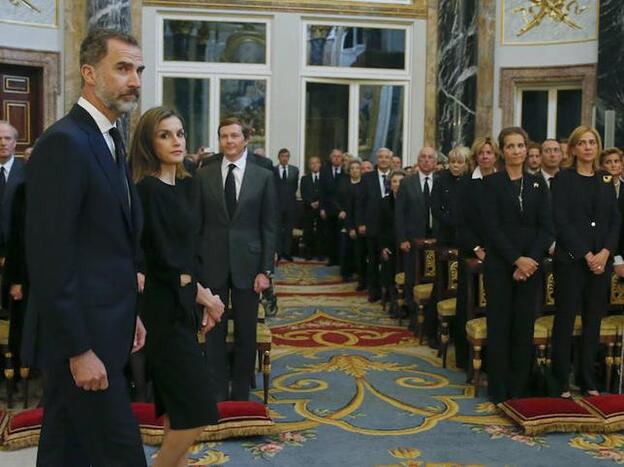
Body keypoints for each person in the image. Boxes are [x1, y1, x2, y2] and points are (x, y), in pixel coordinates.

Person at [25, 29, 147, 466]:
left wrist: (130, 312)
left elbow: (107, 246)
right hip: (82, 343)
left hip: (106, 329)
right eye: (123, 68)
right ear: (89, 72)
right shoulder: (65, 142)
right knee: (122, 453)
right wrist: (78, 349)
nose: (135, 80)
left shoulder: (109, 140)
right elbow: (50, 257)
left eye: (138, 70)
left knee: (65, 450)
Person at [130, 106, 224, 466]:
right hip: (161, 307)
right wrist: (205, 297)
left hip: (184, 302)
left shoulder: (188, 184)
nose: (176, 141)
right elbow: (164, 261)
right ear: (148, 142)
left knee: (178, 408)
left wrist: (202, 297)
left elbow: (192, 250)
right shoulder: (146, 189)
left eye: (180, 133)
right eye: (164, 135)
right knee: (198, 407)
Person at [196, 116, 277, 401]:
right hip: (212, 262)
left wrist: (266, 270)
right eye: (223, 136)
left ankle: (241, 393)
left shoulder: (263, 176)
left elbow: (269, 226)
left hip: (250, 266)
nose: (228, 141)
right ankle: (216, 392)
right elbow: (198, 223)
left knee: (246, 332)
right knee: (213, 330)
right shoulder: (204, 173)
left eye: (234, 136)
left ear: (245, 139)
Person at [481, 127, 553, 403]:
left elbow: (547, 228)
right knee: (499, 327)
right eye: (510, 146)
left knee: (523, 328)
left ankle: (520, 388)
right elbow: (492, 228)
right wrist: (516, 259)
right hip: (501, 266)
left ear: (526, 149)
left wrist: (530, 260)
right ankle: (499, 389)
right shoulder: (491, 184)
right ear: (503, 151)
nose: (516, 151)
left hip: (531, 268)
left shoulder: (538, 184)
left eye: (520, 146)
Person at [551, 126, 621, 397]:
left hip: (601, 262)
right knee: (565, 320)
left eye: (592, 142)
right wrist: (586, 254)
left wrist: (605, 252)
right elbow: (561, 221)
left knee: (593, 320)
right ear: (573, 149)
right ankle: (559, 381)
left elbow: (615, 220)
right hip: (572, 261)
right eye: (582, 143)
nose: (588, 147)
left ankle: (587, 378)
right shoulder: (563, 179)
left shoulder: (605, 179)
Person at [454, 137, 498, 369]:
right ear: (476, 157)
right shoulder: (465, 184)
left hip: (500, 252)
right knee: (469, 304)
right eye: (481, 153)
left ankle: (492, 359)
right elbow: (461, 223)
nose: (485, 156)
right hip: (472, 252)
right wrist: (477, 249)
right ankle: (466, 358)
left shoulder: (504, 181)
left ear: (495, 156)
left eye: (489, 152)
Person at [395, 146, 438, 336]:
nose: (427, 160)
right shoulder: (407, 183)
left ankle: (431, 319)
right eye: (423, 157)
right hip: (413, 241)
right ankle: (414, 318)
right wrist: (402, 238)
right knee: (413, 277)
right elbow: (399, 214)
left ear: (435, 161)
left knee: (435, 278)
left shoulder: (441, 181)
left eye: (430, 157)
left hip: (437, 240)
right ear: (418, 160)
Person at [357, 147, 393, 302]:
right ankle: (374, 291)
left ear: (391, 159)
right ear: (377, 160)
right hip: (372, 225)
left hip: (391, 227)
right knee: (373, 260)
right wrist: (361, 223)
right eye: (381, 157)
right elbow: (360, 202)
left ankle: (390, 293)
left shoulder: (397, 176)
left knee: (389, 261)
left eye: (386, 157)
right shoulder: (367, 178)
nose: (383, 159)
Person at [380, 170, 406, 317]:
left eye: (400, 181)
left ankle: (405, 304)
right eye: (395, 181)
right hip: (389, 245)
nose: (397, 184)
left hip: (405, 244)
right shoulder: (384, 202)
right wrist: (383, 247)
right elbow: (380, 227)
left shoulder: (409, 200)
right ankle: (394, 304)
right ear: (390, 184)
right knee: (390, 272)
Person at [431, 145, 468, 246]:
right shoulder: (440, 179)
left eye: (459, 162)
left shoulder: (471, 180)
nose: (455, 165)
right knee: (444, 261)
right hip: (445, 234)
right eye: (452, 162)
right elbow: (435, 208)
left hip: (466, 235)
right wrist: (450, 220)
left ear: (465, 164)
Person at [0, 122, 26, 261]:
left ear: (15, 143)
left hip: (16, 254)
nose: (3, 143)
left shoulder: (27, 174)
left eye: (7, 138)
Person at [340, 159, 366, 286]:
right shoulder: (344, 184)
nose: (355, 170)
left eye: (357, 168)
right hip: (347, 222)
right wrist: (350, 228)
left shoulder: (365, 185)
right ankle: (346, 273)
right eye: (353, 168)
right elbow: (347, 208)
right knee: (346, 250)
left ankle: (361, 277)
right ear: (349, 171)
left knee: (360, 253)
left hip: (362, 224)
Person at [320, 149, 347, 266]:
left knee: (340, 235)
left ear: (342, 158)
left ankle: (341, 259)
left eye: (339, 156)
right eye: (334, 156)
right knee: (330, 235)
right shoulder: (324, 171)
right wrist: (322, 208)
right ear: (331, 158)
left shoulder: (346, 172)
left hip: (342, 210)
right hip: (329, 208)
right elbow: (321, 191)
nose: (336, 158)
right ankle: (332, 259)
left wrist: (344, 210)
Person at [274, 148, 299, 262]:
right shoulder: (272, 170)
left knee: (289, 230)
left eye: (287, 156)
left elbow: (294, 187)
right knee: (277, 230)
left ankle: (287, 252)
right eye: (282, 156)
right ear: (278, 157)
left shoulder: (295, 170)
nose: (284, 158)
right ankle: (278, 252)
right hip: (277, 205)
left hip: (290, 205)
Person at [300, 156, 324, 260]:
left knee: (321, 232)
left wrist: (319, 202)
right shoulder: (305, 178)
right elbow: (303, 193)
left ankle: (319, 253)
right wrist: (311, 203)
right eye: (312, 163)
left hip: (321, 209)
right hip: (308, 209)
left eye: (316, 163)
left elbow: (326, 193)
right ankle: (308, 253)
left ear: (320, 164)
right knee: (308, 232)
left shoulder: (324, 178)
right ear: (309, 166)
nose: (314, 165)